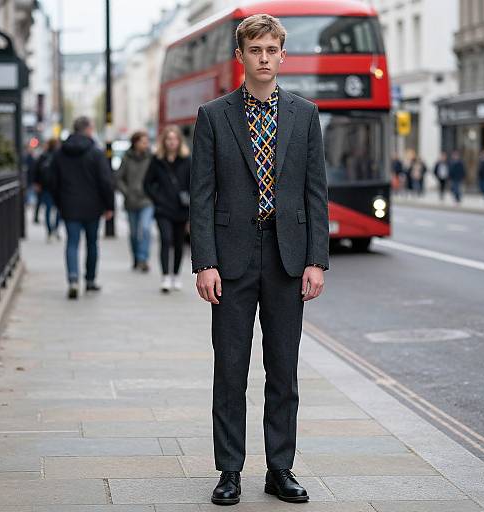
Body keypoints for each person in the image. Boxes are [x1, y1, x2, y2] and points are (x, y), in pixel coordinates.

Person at [190, 14, 329, 506]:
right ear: (241, 56)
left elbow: (316, 193)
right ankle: (229, 470)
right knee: (230, 368)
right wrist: (204, 262)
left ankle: (280, 468)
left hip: (288, 257)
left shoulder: (304, 114)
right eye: (256, 50)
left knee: (283, 370)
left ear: (282, 55)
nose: (264, 58)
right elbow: (201, 196)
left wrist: (317, 260)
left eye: (272, 50)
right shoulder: (213, 116)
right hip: (230, 260)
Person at [51, 116, 114, 299]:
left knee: (72, 243)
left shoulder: (60, 152)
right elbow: (105, 181)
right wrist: (109, 205)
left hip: (69, 205)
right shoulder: (95, 152)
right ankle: (90, 280)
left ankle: (72, 279)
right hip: (93, 206)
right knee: (92, 243)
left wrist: (59, 201)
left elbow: (52, 181)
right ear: (87, 129)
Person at [144, 125, 190, 293]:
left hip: (181, 209)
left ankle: (176, 275)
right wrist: (158, 199)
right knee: (166, 239)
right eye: (168, 139)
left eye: (175, 139)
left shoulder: (187, 160)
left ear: (179, 141)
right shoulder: (157, 160)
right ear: (164, 141)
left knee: (178, 244)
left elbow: (193, 183)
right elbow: (147, 184)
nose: (172, 142)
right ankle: (165, 276)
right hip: (163, 209)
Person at [116, 131, 153, 272]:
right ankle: (136, 258)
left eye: (147, 141)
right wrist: (127, 192)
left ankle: (143, 259)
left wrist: (152, 192)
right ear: (135, 143)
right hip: (131, 201)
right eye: (143, 141)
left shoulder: (151, 158)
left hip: (146, 200)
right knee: (133, 233)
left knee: (145, 229)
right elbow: (118, 178)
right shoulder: (126, 158)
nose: (146, 144)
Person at [33, 138, 61, 241]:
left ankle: (49, 232)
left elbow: (36, 171)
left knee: (48, 210)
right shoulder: (60, 156)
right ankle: (56, 229)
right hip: (58, 188)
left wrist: (37, 183)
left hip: (46, 187)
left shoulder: (43, 156)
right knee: (59, 210)